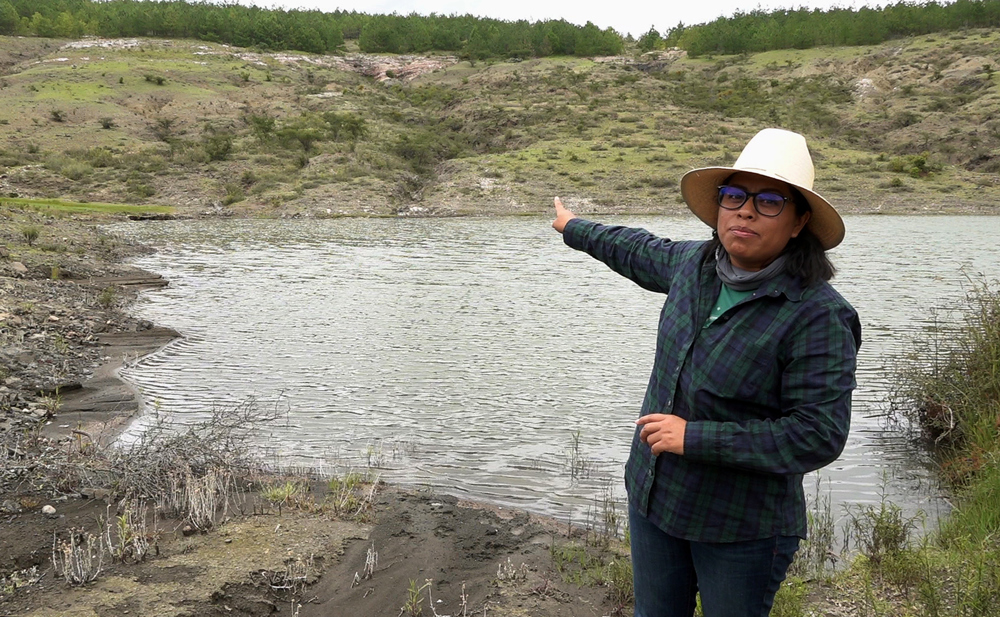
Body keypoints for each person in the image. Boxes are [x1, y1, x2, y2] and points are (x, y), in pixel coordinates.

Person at [551, 128, 861, 617]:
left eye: (769, 201)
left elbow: (818, 435)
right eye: (734, 195)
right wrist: (572, 226)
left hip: (740, 527)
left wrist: (695, 438)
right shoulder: (694, 265)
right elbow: (632, 247)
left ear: (800, 221)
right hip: (655, 497)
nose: (745, 210)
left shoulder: (818, 316)